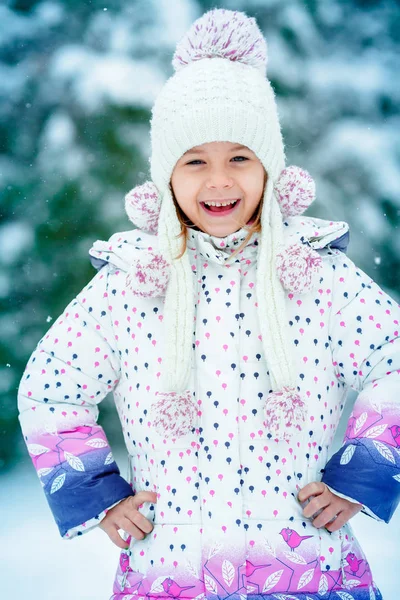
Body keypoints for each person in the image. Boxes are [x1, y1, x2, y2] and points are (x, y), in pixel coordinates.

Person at [18, 8, 400, 600]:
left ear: (269, 168)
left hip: (304, 568)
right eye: (195, 161)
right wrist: (97, 493)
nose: (219, 181)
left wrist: (363, 473)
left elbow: (393, 357)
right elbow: (50, 386)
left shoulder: (316, 273)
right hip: (170, 574)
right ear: (166, 175)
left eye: (240, 158)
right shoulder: (130, 283)